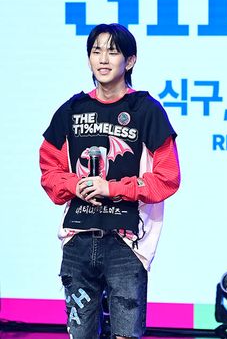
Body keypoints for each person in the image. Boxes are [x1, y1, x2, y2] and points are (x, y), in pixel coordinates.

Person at [40, 23, 181, 338]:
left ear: (129, 61)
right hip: (78, 237)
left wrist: (113, 188)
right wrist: (74, 184)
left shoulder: (146, 110)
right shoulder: (72, 110)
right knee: (80, 334)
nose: (103, 59)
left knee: (125, 334)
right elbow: (49, 171)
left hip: (126, 242)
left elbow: (168, 178)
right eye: (96, 51)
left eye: (113, 52)